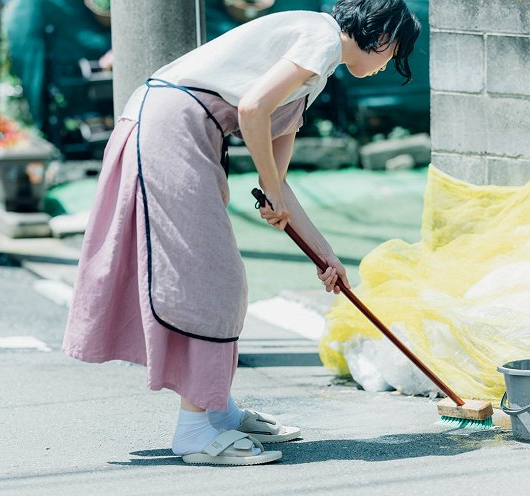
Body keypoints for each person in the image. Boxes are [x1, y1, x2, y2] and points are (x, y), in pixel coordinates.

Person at [63, 0, 421, 466]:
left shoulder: (314, 74)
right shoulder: (321, 36)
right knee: (214, 279)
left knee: (221, 279)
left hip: (184, 129)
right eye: (393, 55)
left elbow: (280, 183)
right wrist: (269, 189)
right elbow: (252, 108)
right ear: (382, 36)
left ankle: (218, 410)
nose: (387, 66)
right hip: (171, 124)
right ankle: (195, 431)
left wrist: (326, 255)